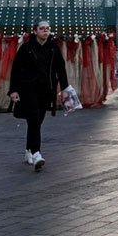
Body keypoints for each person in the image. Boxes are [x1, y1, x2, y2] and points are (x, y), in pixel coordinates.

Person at [8, 20, 71, 171]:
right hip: (28, 90)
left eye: (47, 29)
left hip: (46, 90)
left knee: (37, 120)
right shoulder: (27, 48)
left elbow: (60, 68)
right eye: (42, 29)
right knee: (35, 118)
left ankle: (29, 150)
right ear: (35, 31)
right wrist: (13, 90)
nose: (45, 31)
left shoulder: (53, 48)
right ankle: (36, 153)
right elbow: (16, 69)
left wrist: (64, 88)